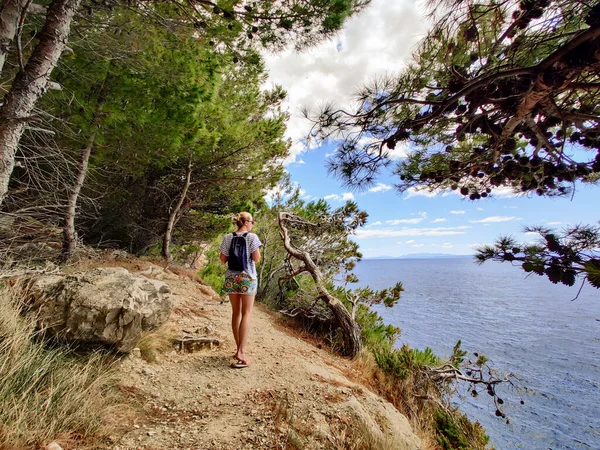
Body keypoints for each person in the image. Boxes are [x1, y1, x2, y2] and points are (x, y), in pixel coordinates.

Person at [219, 212, 262, 368]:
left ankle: (238, 348)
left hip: (231, 278)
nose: (253, 224)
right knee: (247, 313)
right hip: (247, 278)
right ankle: (241, 351)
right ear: (246, 222)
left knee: (236, 313)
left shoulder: (227, 238)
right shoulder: (252, 237)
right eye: (252, 221)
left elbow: (223, 259)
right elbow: (256, 259)